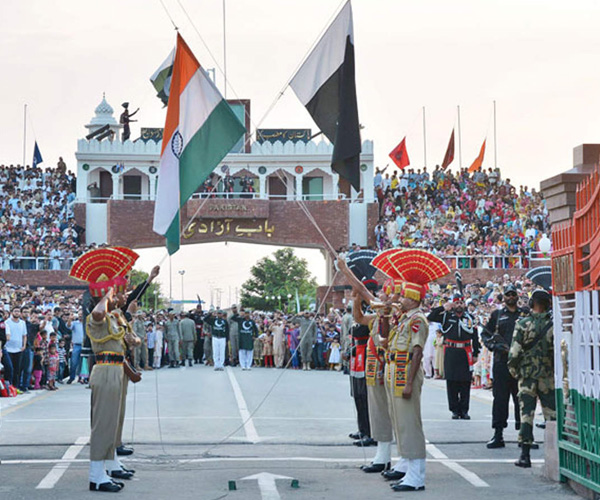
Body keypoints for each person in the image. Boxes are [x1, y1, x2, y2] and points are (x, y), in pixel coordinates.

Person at [374, 248, 450, 492]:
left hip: (405, 371)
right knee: (399, 421)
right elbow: (385, 338)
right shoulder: (404, 317)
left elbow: (416, 352)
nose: (399, 299)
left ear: (415, 298)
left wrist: (408, 382)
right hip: (394, 369)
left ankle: (417, 475)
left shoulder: (417, 319)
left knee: (410, 422)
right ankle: (406, 465)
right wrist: (385, 315)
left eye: (404, 296)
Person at [508, 289, 555, 468]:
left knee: (526, 414)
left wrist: (514, 370)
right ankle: (555, 455)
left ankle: (525, 455)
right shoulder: (552, 325)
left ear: (532, 303)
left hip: (527, 375)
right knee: (552, 415)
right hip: (547, 375)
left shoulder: (522, 324)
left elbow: (515, 352)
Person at [482, 284, 527, 448]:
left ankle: (524, 434)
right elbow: (485, 335)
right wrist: (494, 346)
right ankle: (498, 434)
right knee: (500, 399)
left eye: (513, 294)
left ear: (517, 296)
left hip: (521, 363)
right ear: (504, 297)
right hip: (501, 363)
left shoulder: (525, 314)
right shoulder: (497, 315)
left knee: (522, 399)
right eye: (508, 294)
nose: (511, 297)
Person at [428, 294, 480, 419]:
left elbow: (475, 336)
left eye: (461, 303)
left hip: (465, 352)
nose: (459, 305)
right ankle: (454, 410)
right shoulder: (446, 316)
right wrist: (443, 308)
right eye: (456, 303)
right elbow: (431, 316)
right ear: (453, 304)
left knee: (465, 382)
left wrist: (475, 353)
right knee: (451, 382)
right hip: (451, 351)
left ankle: (464, 410)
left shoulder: (470, 318)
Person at [5, 307, 27, 390]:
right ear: (12, 312)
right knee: (10, 368)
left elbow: (24, 335)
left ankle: (16, 387)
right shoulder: (7, 322)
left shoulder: (22, 323)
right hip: (8, 349)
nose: (17, 313)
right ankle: (9, 387)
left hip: (18, 349)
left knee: (17, 369)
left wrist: (24, 345)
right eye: (15, 311)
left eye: (18, 311)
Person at [67, 310, 85, 384]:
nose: (80, 315)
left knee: (83, 363)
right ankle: (72, 377)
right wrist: (70, 319)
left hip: (84, 345)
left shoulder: (86, 323)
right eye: (79, 314)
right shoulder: (75, 323)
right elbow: (68, 326)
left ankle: (81, 378)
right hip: (76, 345)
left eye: (82, 314)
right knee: (74, 362)